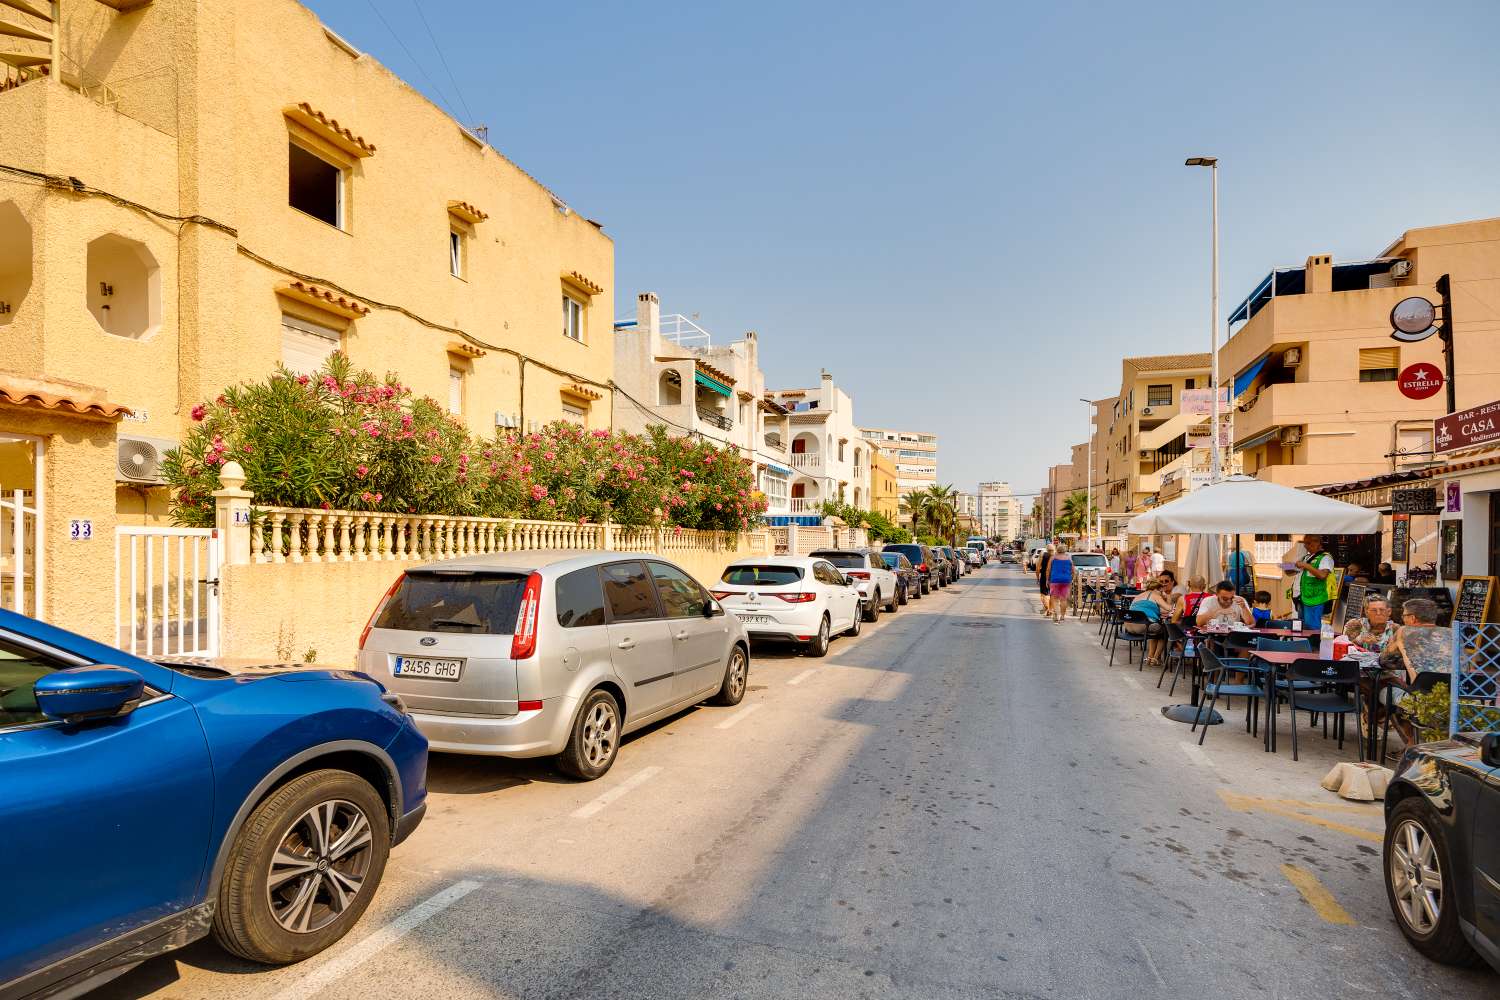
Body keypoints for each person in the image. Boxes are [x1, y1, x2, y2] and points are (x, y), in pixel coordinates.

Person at [1377, 598, 1454, 747]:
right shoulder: (1452, 633)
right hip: (1457, 701)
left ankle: (1411, 743)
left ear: (1412, 618)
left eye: (1404, 616)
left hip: (1423, 704)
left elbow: (1384, 660)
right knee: (1410, 688)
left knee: (1384, 690)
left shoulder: (1404, 631)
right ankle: (1415, 742)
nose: (1402, 619)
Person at [1291, 535, 1335, 631]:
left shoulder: (1325, 558)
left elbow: (1322, 575)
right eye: (1305, 543)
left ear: (1318, 543)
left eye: (1308, 543)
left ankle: (1313, 645)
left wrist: (1306, 565)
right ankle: (1303, 645)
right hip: (1301, 597)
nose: (1306, 546)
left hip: (1314, 599)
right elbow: (1291, 572)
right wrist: (1290, 564)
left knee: (1312, 629)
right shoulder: (1306, 557)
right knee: (1301, 629)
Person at [1125, 579, 1173, 665]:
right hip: (1142, 626)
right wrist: (1168, 597)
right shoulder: (1155, 595)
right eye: (1161, 591)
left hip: (1129, 626)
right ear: (1158, 589)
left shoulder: (1138, 596)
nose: (1162, 593)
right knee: (1165, 630)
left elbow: (1158, 610)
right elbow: (1169, 609)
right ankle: (1155, 659)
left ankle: (1150, 658)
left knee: (1155, 629)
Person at [1047, 543, 1074, 623]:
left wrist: (1047, 580)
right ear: (1065, 550)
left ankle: (1057, 614)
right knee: (1064, 599)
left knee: (1055, 599)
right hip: (1066, 580)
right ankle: (1062, 616)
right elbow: (1073, 571)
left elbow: (1048, 570)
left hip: (1055, 580)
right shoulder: (1069, 559)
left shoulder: (1053, 558)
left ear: (1057, 550)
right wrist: (1070, 578)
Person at [1036, 544, 1054, 615]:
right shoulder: (1056, 556)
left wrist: (1037, 577)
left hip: (1044, 576)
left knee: (1044, 594)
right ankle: (1050, 610)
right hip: (1054, 577)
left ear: (1046, 549)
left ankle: (1047, 608)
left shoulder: (1043, 555)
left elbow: (1037, 568)